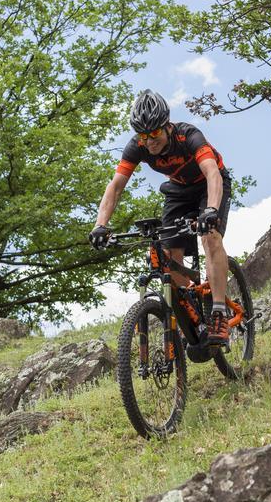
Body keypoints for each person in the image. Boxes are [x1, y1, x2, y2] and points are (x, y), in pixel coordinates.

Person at [90, 89, 233, 346]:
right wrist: (100, 225)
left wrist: (210, 210)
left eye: (154, 133)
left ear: (166, 127)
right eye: (143, 136)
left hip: (209, 186)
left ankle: (220, 312)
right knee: (168, 254)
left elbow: (212, 173)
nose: (149, 141)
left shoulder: (188, 135)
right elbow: (116, 187)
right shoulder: (137, 147)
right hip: (178, 191)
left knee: (210, 238)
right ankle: (190, 313)